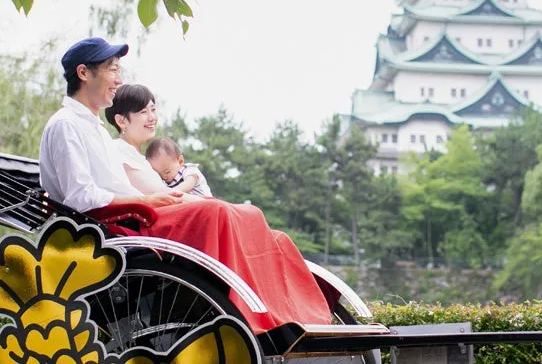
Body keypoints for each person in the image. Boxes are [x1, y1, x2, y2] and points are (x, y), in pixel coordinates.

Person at [50, 67, 332, 333]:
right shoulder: (113, 149)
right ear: (121, 120)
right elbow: (115, 194)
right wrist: (155, 199)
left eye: (153, 110)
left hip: (155, 209)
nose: (152, 118)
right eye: (143, 112)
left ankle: (293, 313)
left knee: (271, 233)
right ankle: (253, 310)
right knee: (223, 212)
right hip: (145, 218)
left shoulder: (138, 155)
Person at [38, 38, 182, 212]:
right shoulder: (66, 124)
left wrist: (145, 201)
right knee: (211, 212)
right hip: (105, 226)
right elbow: (80, 196)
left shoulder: (98, 130)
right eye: (113, 70)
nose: (119, 81)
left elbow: (118, 188)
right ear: (83, 73)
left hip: (131, 218)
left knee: (214, 210)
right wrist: (144, 201)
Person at [147, 137, 214, 198]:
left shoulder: (188, 169)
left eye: (167, 172)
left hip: (205, 201)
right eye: (159, 174)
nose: (164, 177)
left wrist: (173, 192)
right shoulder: (164, 182)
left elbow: (189, 183)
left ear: (180, 161)